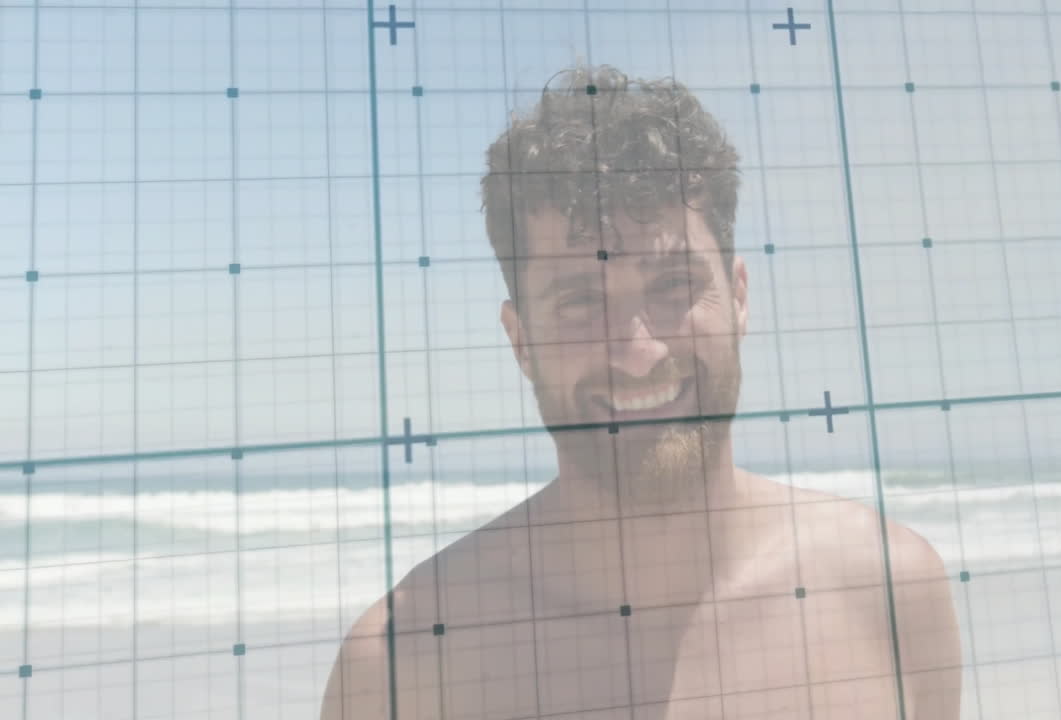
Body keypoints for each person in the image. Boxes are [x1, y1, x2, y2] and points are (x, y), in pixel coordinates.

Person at [320, 63, 962, 720]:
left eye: (674, 288)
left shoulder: (890, 589)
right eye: (578, 302)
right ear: (521, 340)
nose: (638, 354)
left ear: (738, 298)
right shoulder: (405, 668)